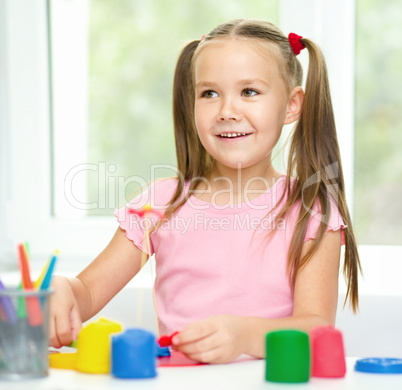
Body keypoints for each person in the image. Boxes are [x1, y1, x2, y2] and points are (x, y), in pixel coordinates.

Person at [49, 19, 361, 364]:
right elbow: (88, 291)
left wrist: (243, 335)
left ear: (291, 105)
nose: (227, 111)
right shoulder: (158, 205)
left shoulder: (311, 210)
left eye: (249, 92)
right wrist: (63, 292)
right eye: (209, 93)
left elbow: (316, 329)